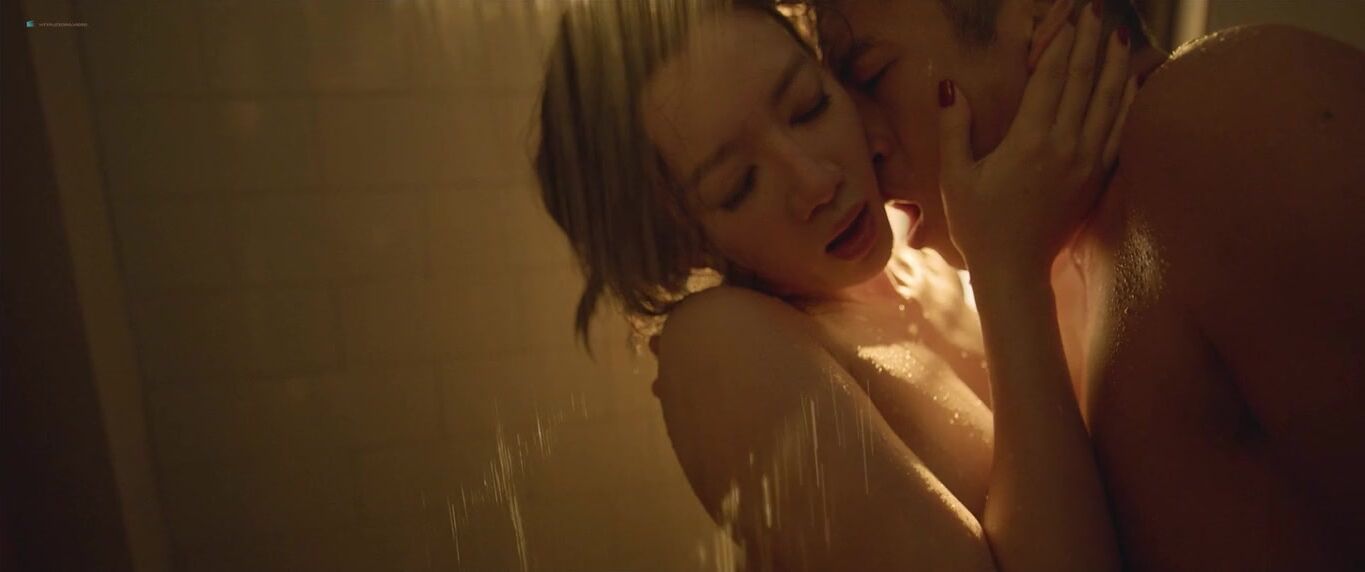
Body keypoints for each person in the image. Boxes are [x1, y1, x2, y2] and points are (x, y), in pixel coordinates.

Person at [534, 0, 1134, 569]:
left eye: (809, 107)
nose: (817, 182)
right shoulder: (720, 345)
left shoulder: (930, 257)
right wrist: (1010, 269)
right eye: (739, 185)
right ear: (684, 241)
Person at [809, 0, 1365, 569]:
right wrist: (1006, 268)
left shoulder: (1223, 110)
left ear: (1038, 11)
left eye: (873, 76)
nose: (858, 143)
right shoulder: (1074, 264)